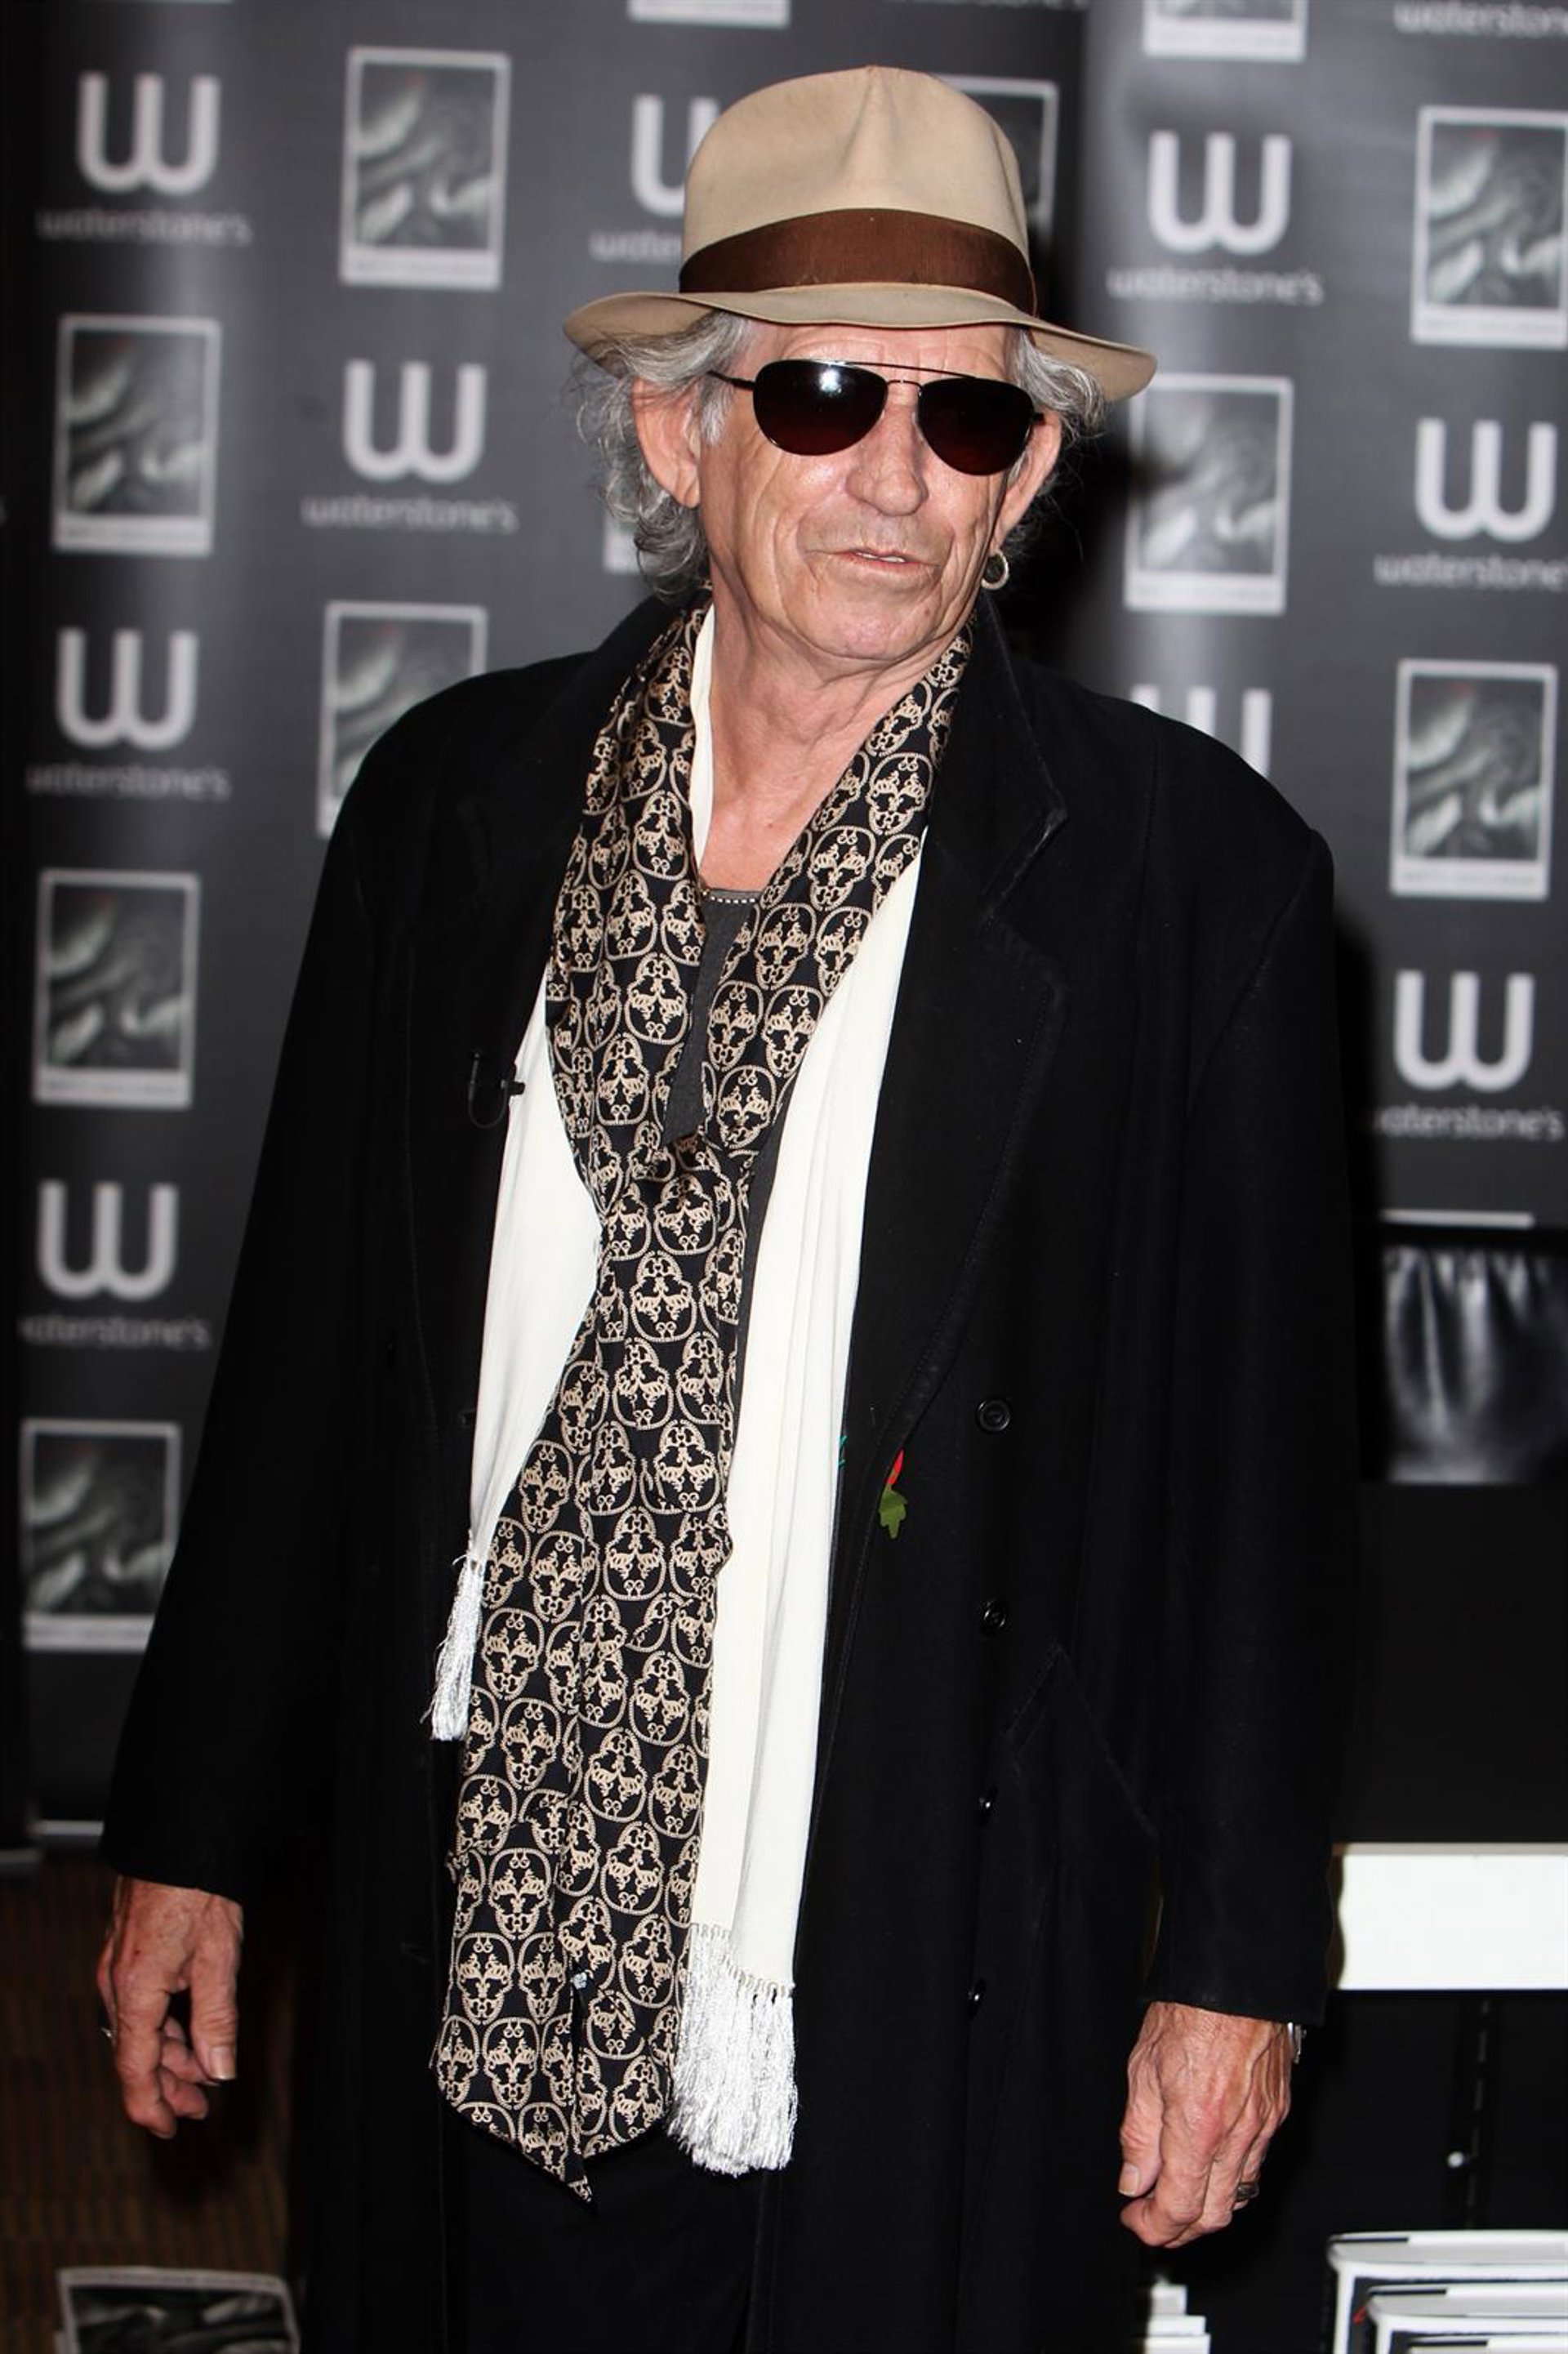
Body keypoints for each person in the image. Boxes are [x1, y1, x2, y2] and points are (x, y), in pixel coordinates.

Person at [97, 65, 1357, 2354]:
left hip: (919, 1947)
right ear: (683, 435)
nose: (896, 474)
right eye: (825, 396)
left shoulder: (1195, 895)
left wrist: (1242, 1971)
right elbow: (306, 1365)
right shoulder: (450, 808)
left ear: (1029, 477)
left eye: (967, 417)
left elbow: (1264, 1512)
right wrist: (190, 1821)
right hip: (473, 1899)